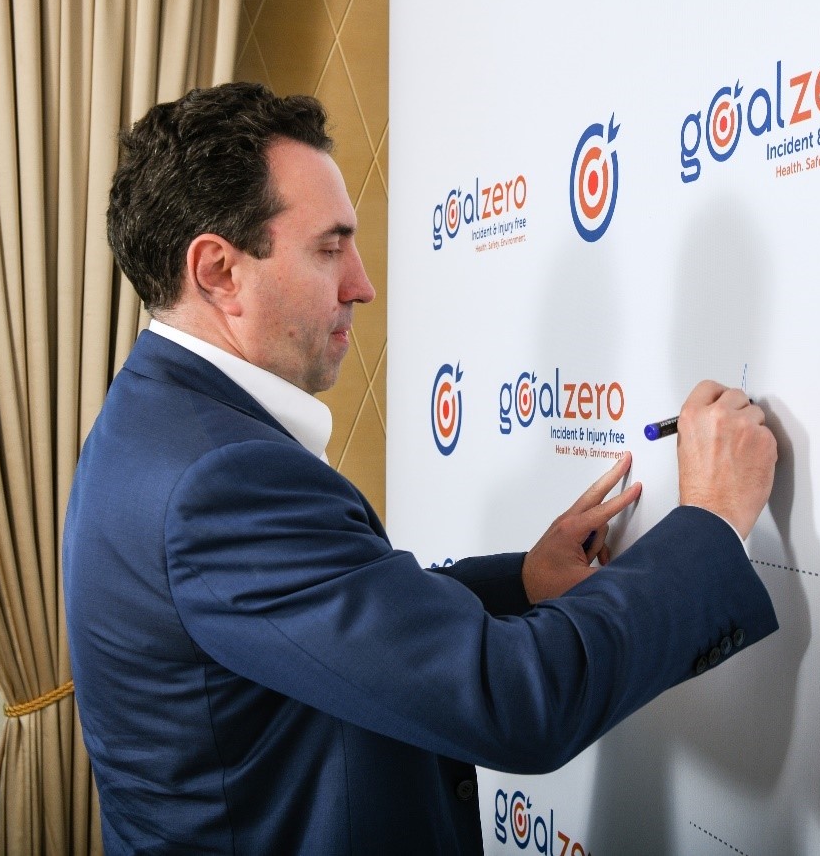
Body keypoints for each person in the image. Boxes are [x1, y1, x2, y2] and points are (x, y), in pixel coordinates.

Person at [63, 82, 780, 855]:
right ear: (217, 270)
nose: (362, 285)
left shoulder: (152, 419)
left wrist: (522, 584)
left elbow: (332, 616)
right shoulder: (219, 479)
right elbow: (515, 702)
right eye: (329, 248)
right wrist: (709, 520)